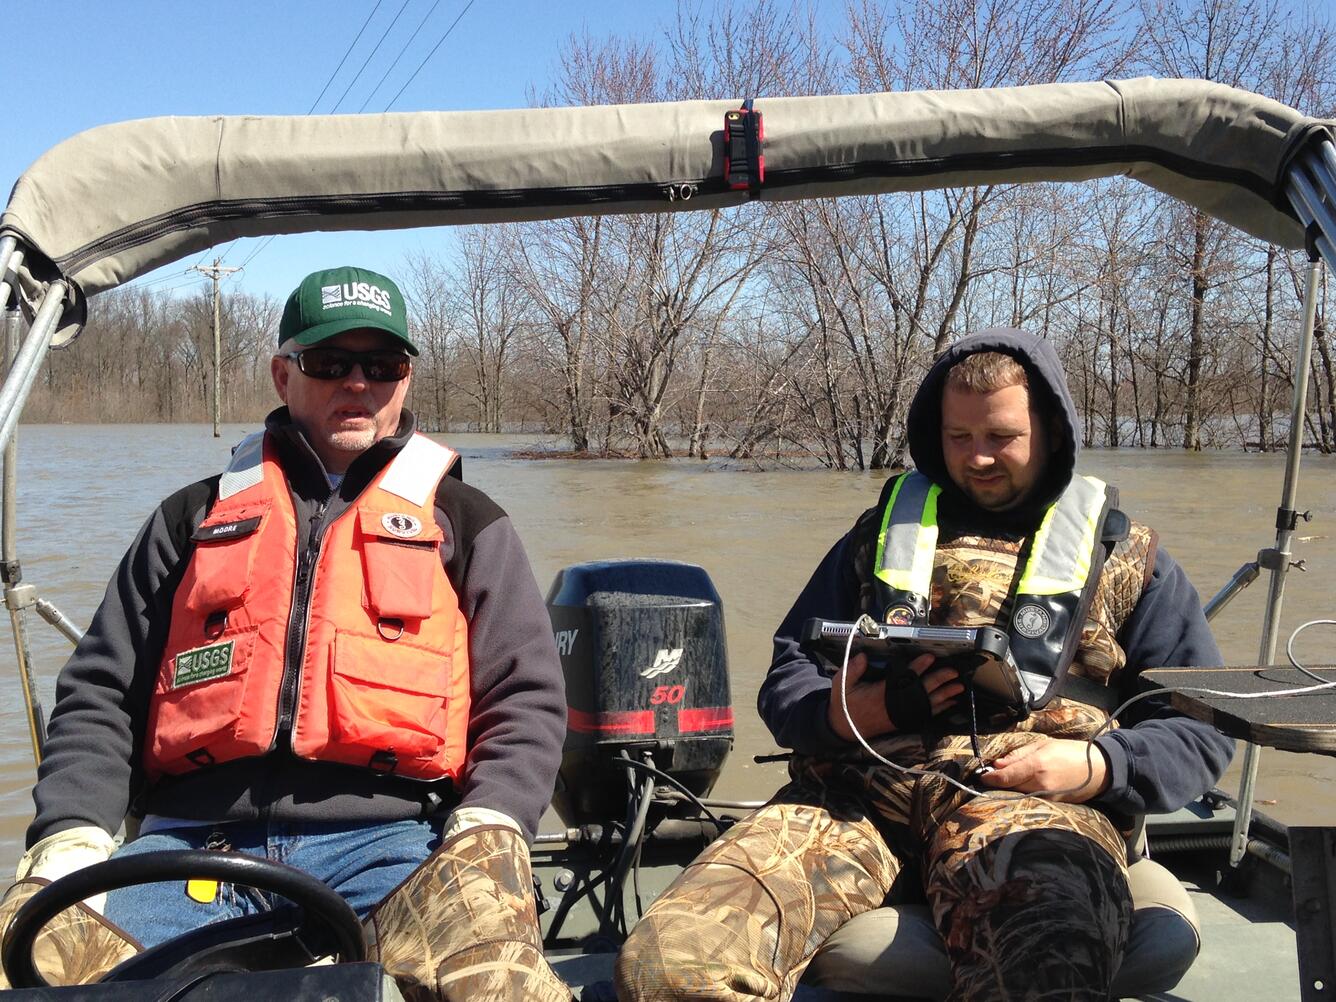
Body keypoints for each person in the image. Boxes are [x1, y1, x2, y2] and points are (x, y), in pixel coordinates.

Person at [0, 266, 573, 1001]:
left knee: (507, 984)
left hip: (396, 846)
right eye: (330, 363)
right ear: (283, 373)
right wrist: (72, 832)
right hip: (186, 847)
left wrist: (491, 821)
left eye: (383, 365)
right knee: (26, 959)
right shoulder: (188, 519)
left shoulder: (467, 521)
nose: (358, 384)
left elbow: (525, 698)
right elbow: (100, 692)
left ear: (406, 378)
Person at [615, 328, 1235, 1002]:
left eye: (1001, 436)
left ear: (1052, 430)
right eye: (958, 437)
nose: (979, 458)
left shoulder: (1131, 557)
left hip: (1034, 810)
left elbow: (1203, 729)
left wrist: (1095, 768)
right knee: (667, 967)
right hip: (852, 802)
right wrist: (848, 714)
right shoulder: (875, 535)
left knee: (1042, 974)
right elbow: (788, 673)